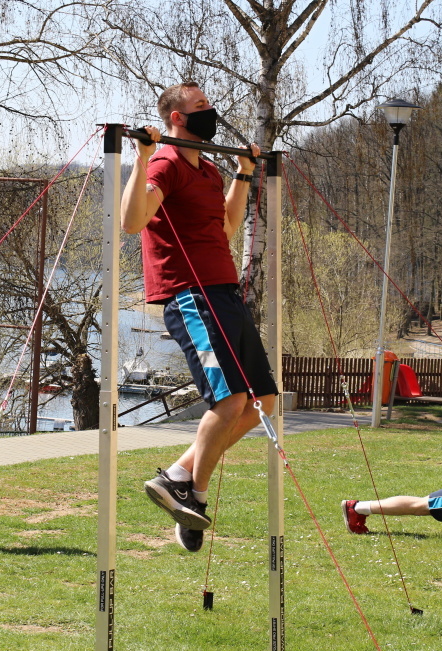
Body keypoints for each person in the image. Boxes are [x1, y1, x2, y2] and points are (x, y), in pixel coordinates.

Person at [120, 82, 278, 552]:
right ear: (176, 118)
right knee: (228, 402)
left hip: (224, 291)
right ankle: (195, 498)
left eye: (209, 104)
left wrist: (243, 174)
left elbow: (228, 228)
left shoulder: (209, 172)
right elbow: (131, 222)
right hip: (190, 295)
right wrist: (141, 156)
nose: (210, 112)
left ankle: (178, 477)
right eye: (200, 107)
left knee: (265, 403)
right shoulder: (165, 164)